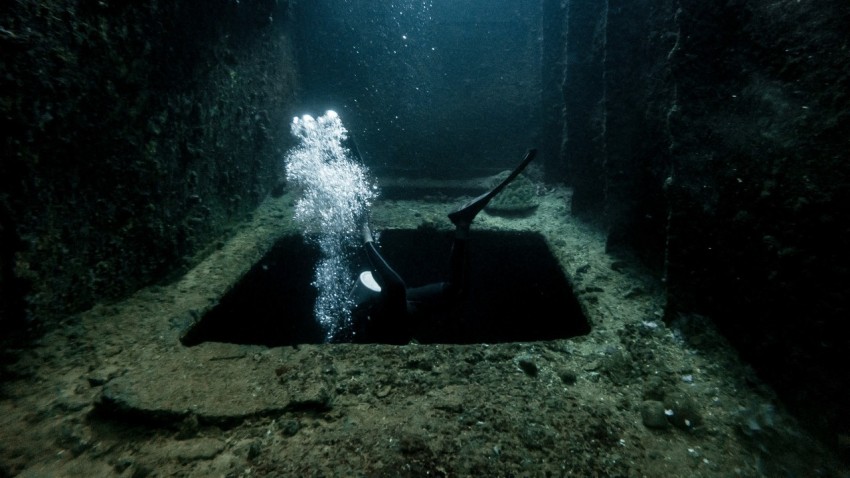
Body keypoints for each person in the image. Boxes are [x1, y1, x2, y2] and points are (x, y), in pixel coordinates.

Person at [350, 149, 537, 344]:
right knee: (455, 291)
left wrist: (366, 236)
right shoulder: (379, 322)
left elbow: (395, 288)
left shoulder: (375, 316)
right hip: (401, 317)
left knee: (441, 291)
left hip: (394, 315)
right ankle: (462, 226)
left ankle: (462, 226)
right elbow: (395, 290)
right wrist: (367, 237)